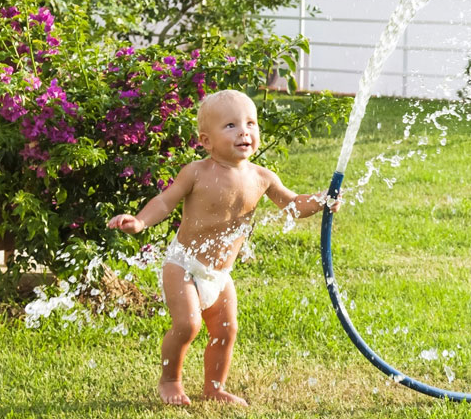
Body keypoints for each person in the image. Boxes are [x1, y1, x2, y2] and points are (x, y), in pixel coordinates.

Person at [108, 89, 340, 406]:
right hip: (183, 264)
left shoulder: (263, 177)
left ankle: (214, 387)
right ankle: (171, 380)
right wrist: (139, 221)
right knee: (188, 325)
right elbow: (165, 201)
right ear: (206, 141)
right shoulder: (196, 172)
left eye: (250, 123)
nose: (244, 131)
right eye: (230, 125)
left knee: (226, 330)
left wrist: (321, 201)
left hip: (220, 273)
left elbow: (293, 206)